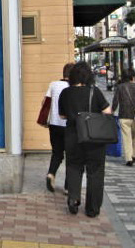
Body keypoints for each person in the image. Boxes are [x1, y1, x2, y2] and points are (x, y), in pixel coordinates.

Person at [59, 61, 112, 218]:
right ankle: (92, 208)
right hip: (93, 137)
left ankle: (73, 199)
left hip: (72, 136)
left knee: (74, 167)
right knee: (95, 171)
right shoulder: (94, 92)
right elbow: (107, 111)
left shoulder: (65, 93)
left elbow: (62, 115)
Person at [44, 62, 74, 194]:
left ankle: (51, 173)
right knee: (71, 155)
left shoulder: (53, 84)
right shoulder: (73, 87)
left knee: (57, 152)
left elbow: (45, 102)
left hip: (54, 124)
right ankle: (68, 186)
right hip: (68, 125)